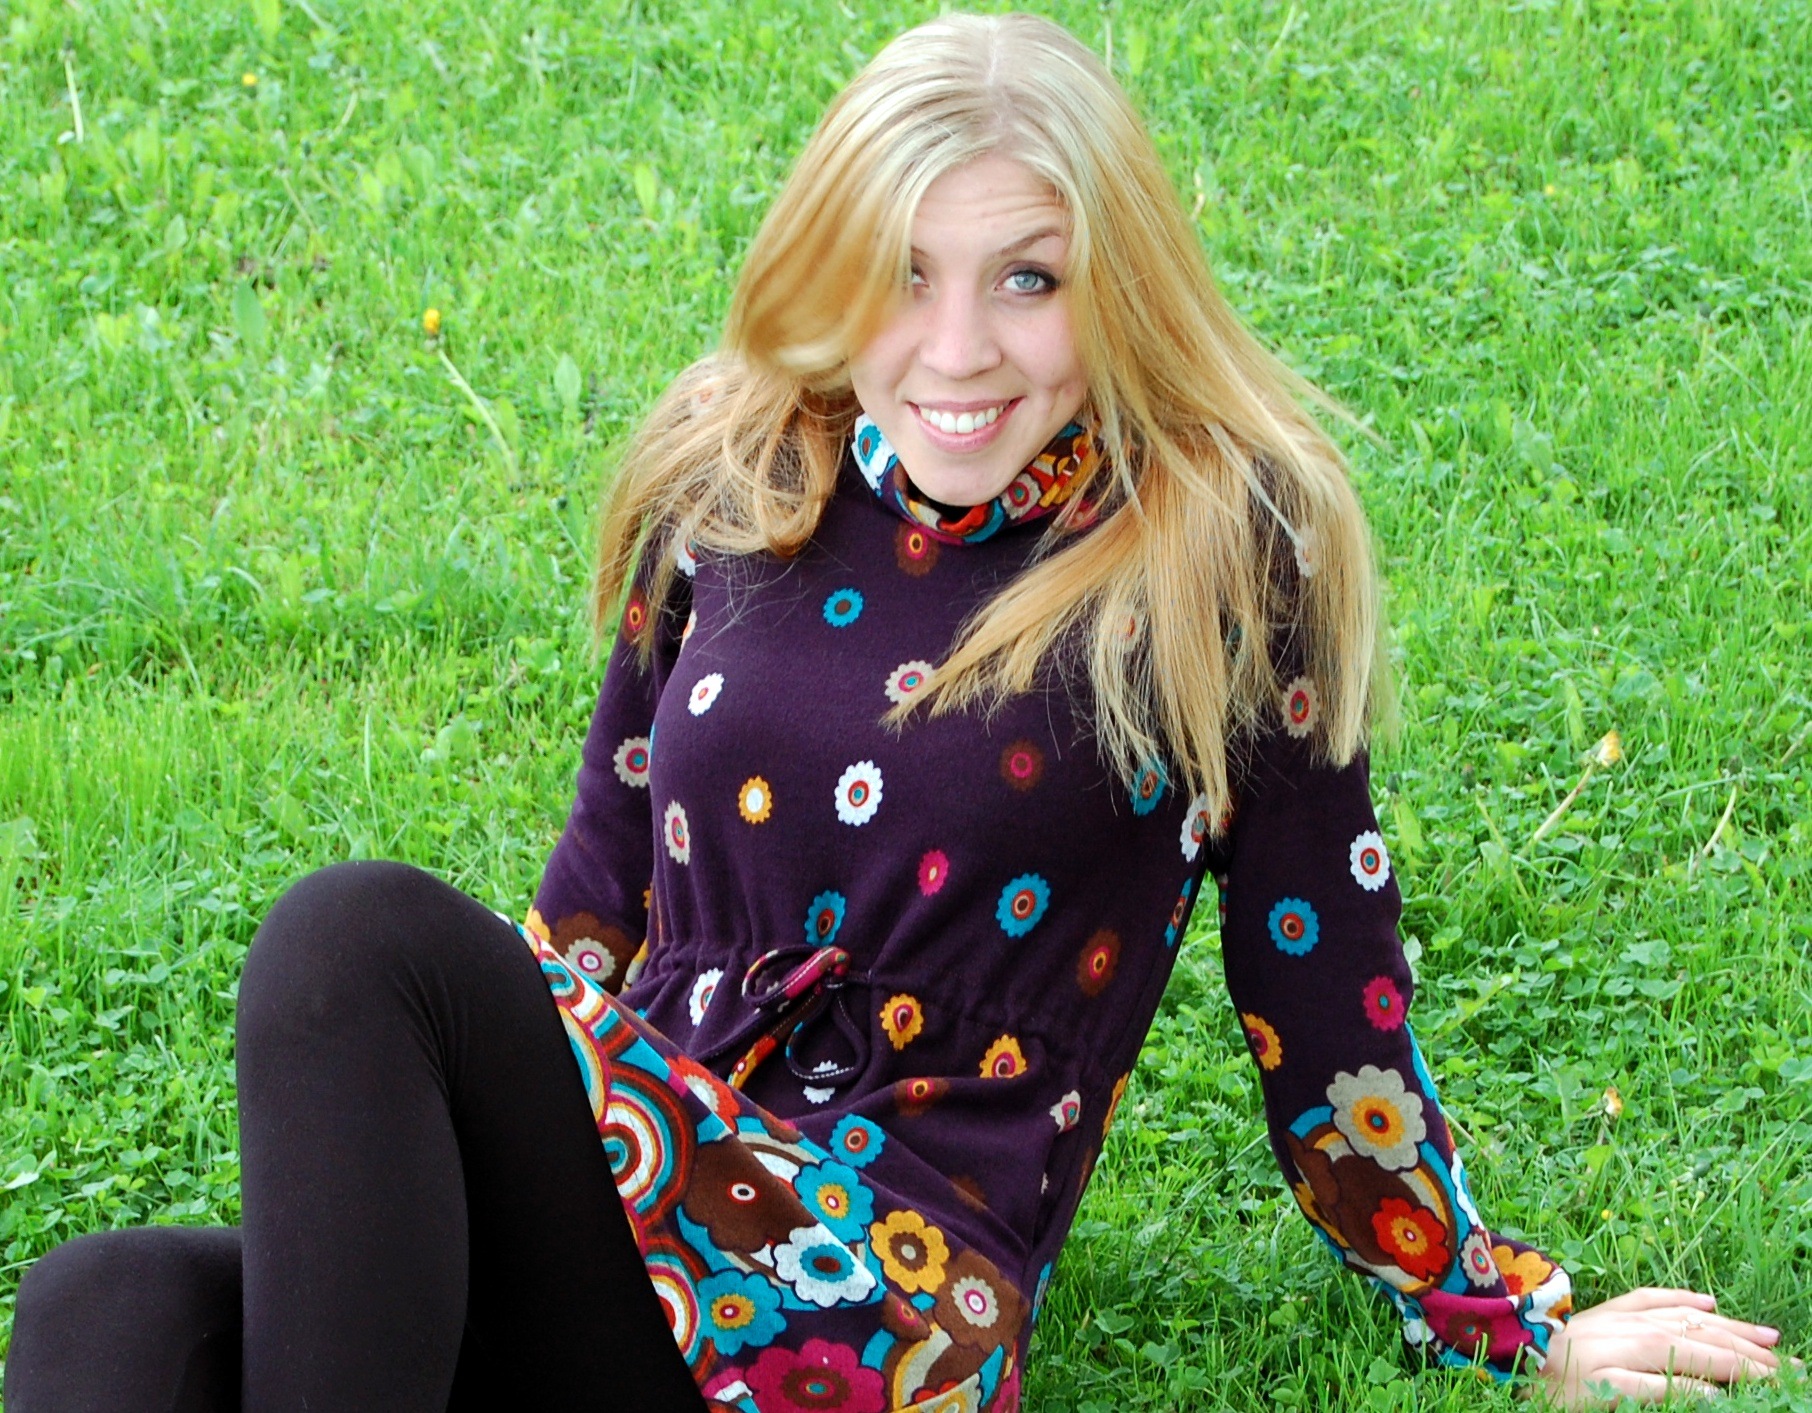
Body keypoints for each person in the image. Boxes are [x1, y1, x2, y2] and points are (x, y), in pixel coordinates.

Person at [3, 13, 1787, 1412]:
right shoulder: (736, 470)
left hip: (880, 1278)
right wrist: (453, 1170)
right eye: (902, 272)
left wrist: (1505, 1316)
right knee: (107, 1299)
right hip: (641, 1192)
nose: (956, 349)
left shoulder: (1215, 549)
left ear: (1117, 283)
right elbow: (592, 909)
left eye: (1027, 278)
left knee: (349, 938)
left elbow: (1326, 993)